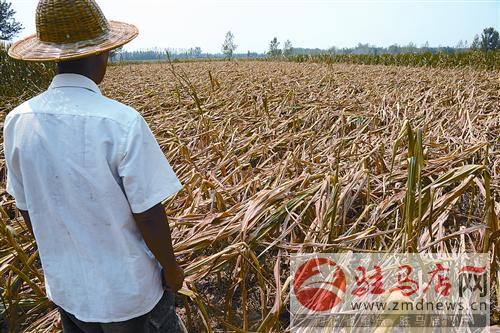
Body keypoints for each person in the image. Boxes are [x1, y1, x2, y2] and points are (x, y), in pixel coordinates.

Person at [6, 0, 185, 332]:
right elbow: (148, 214)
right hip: (126, 295)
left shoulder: (17, 121)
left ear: (52, 56)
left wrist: (63, 252)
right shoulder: (122, 122)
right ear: (102, 53)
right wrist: (172, 270)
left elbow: (26, 209)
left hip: (67, 290)